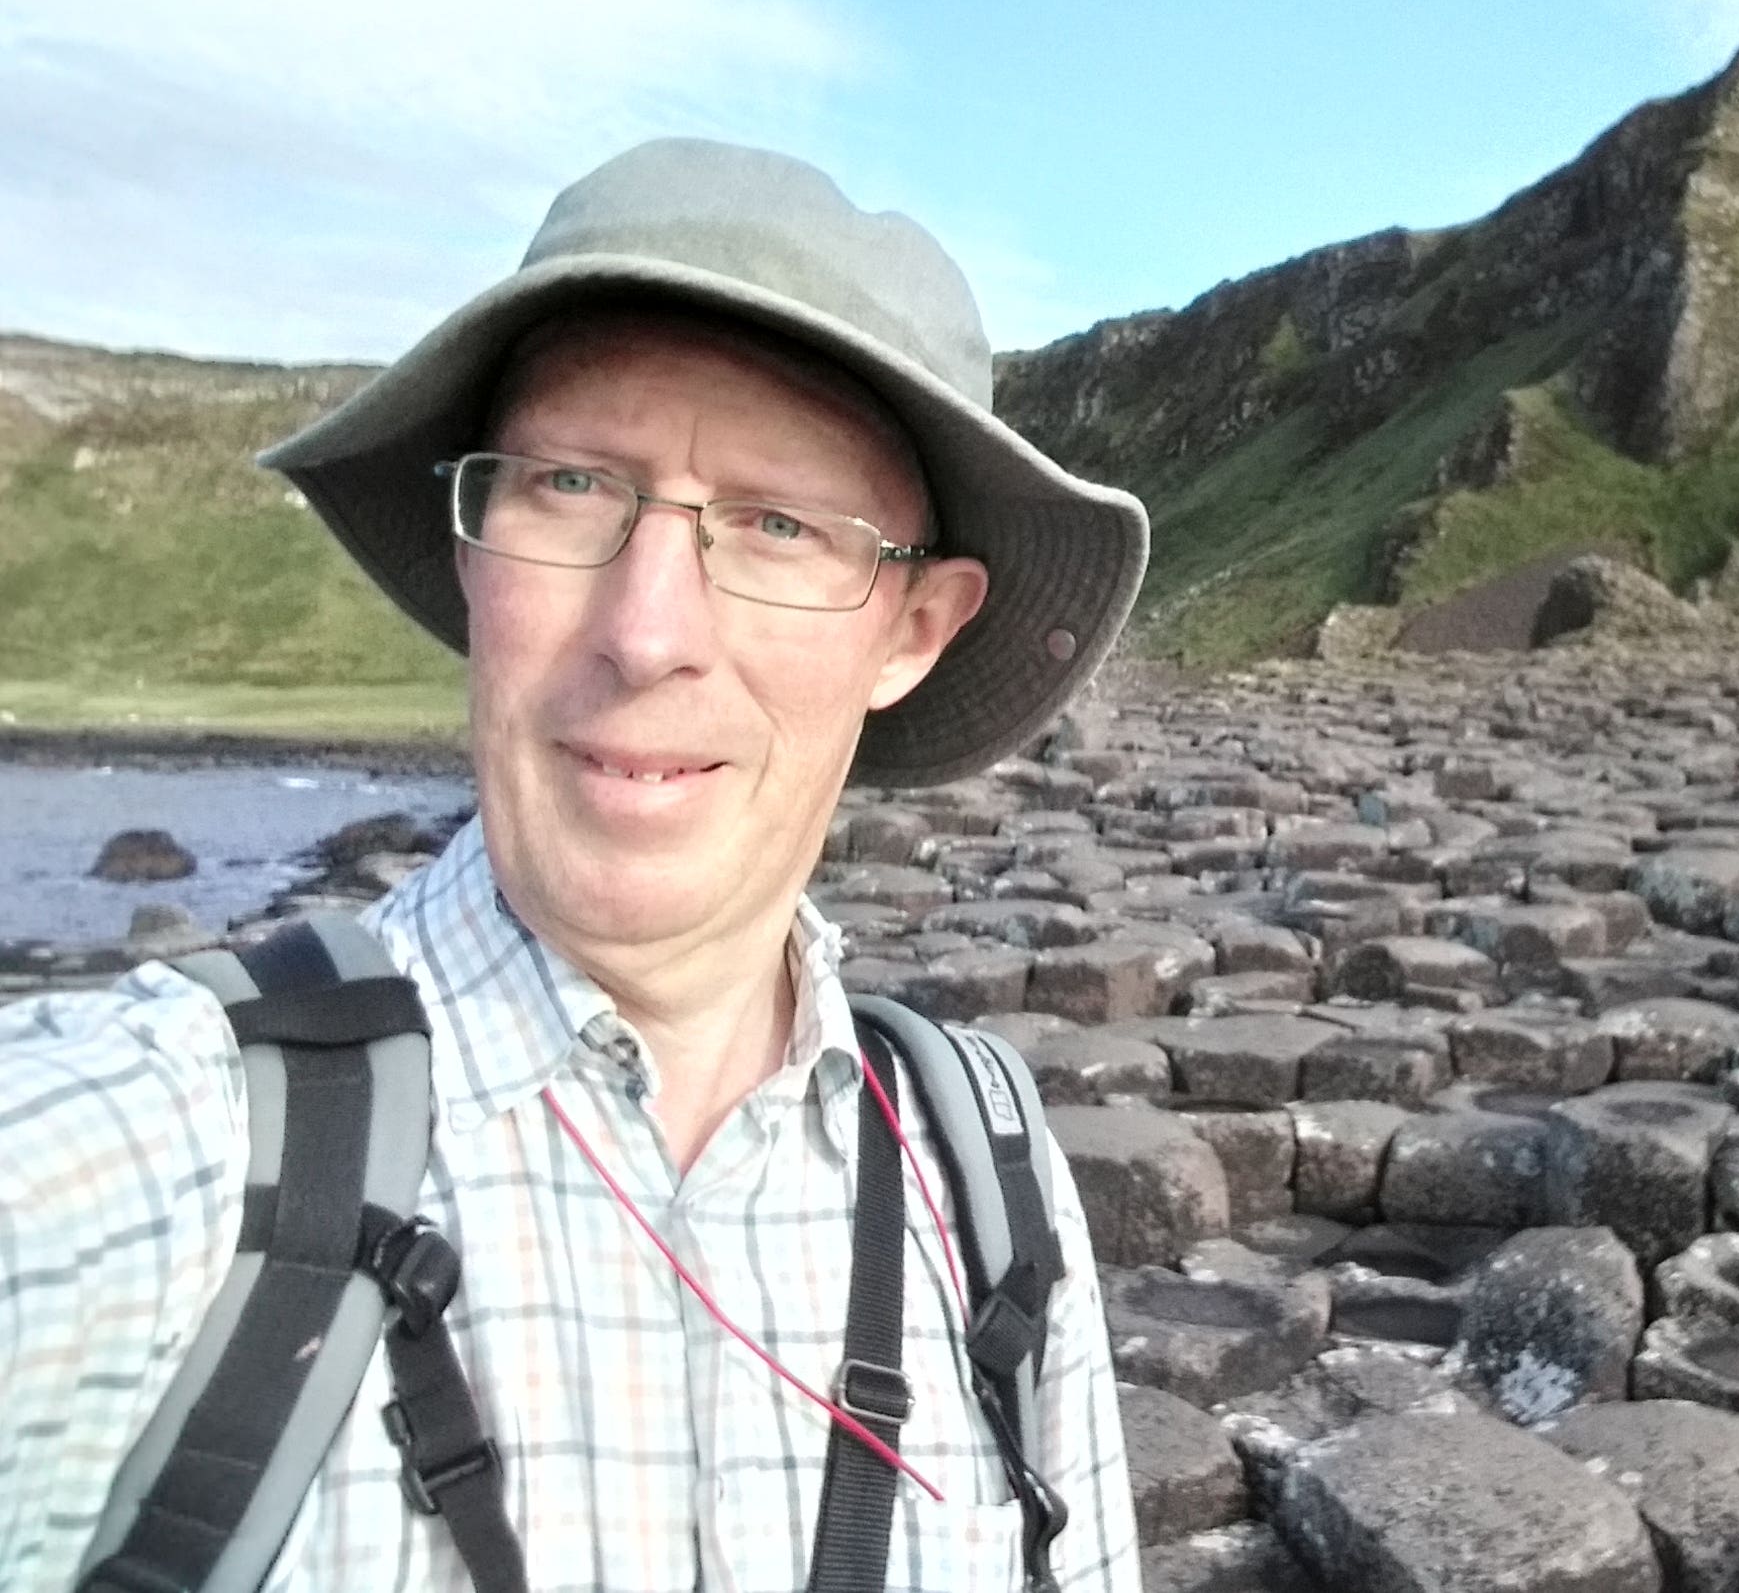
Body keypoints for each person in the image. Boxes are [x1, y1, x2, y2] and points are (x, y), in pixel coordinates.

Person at [0, 140, 1149, 1591]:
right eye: (568, 486)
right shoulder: (147, 1156)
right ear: (471, 549)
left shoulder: (988, 1166)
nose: (646, 628)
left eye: (778, 525)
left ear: (911, 632)